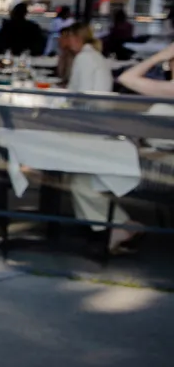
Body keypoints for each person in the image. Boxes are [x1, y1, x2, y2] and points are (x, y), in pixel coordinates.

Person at [59, 22, 141, 252]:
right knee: (79, 179)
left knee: (79, 179)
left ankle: (117, 226)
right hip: (99, 125)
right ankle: (109, 226)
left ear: (75, 38)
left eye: (67, 36)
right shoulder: (93, 56)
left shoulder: (85, 58)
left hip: (89, 126)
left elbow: (82, 96)